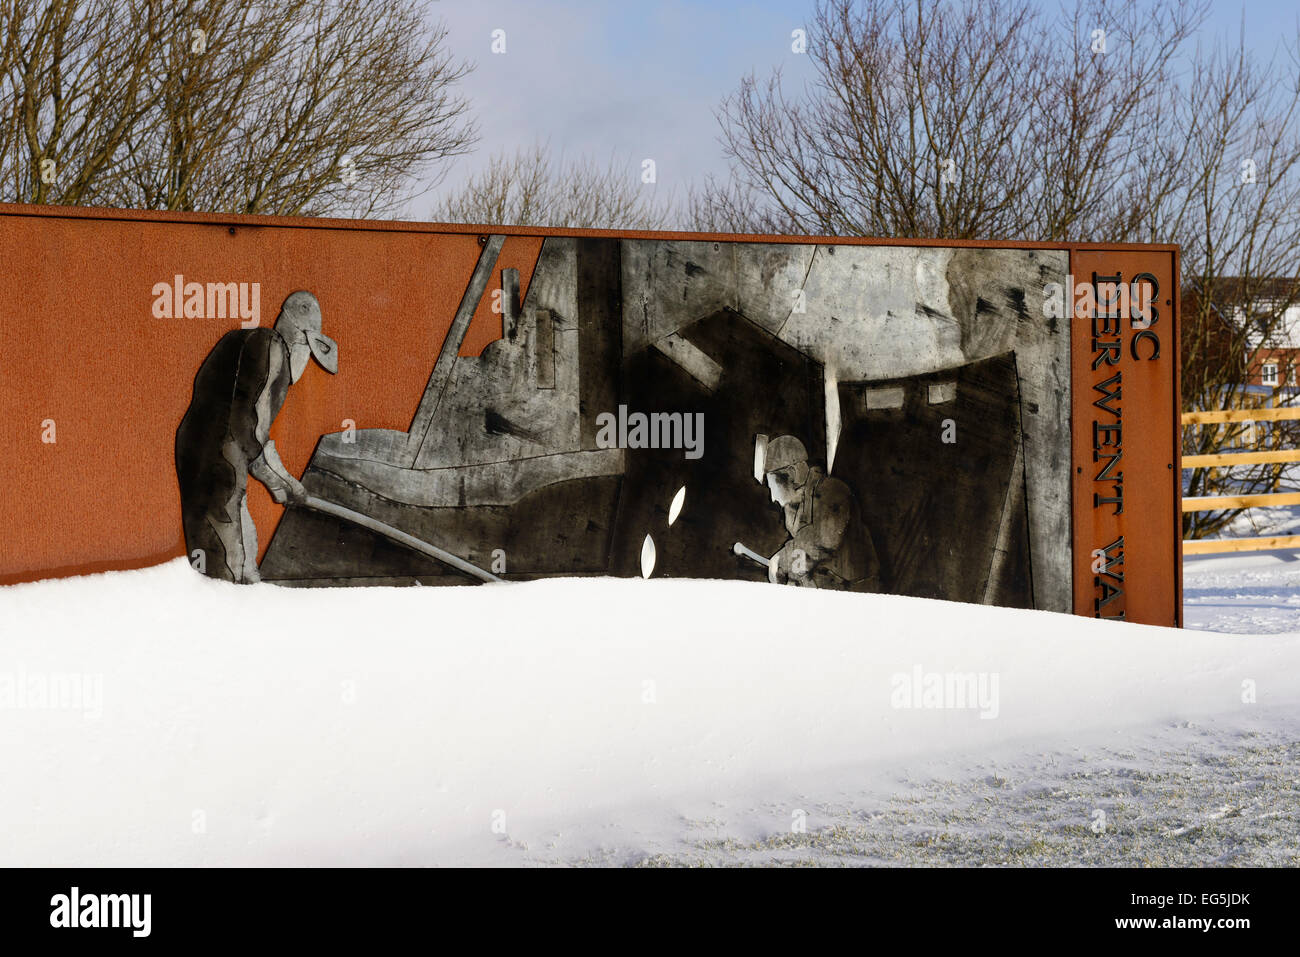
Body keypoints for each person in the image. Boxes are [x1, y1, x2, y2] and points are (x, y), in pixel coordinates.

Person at [175, 291, 338, 583]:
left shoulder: (250, 342)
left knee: (237, 544)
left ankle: (239, 588)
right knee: (229, 563)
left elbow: (251, 437)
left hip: (206, 453)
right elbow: (251, 431)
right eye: (307, 351)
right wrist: (287, 484)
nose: (306, 361)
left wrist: (281, 484)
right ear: (300, 340)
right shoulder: (271, 347)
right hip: (220, 461)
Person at [762, 435, 879, 591]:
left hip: (858, 591)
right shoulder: (792, 507)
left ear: (793, 473)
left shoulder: (833, 491)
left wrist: (782, 561)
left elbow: (821, 541)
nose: (773, 497)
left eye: (774, 487)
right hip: (825, 585)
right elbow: (802, 559)